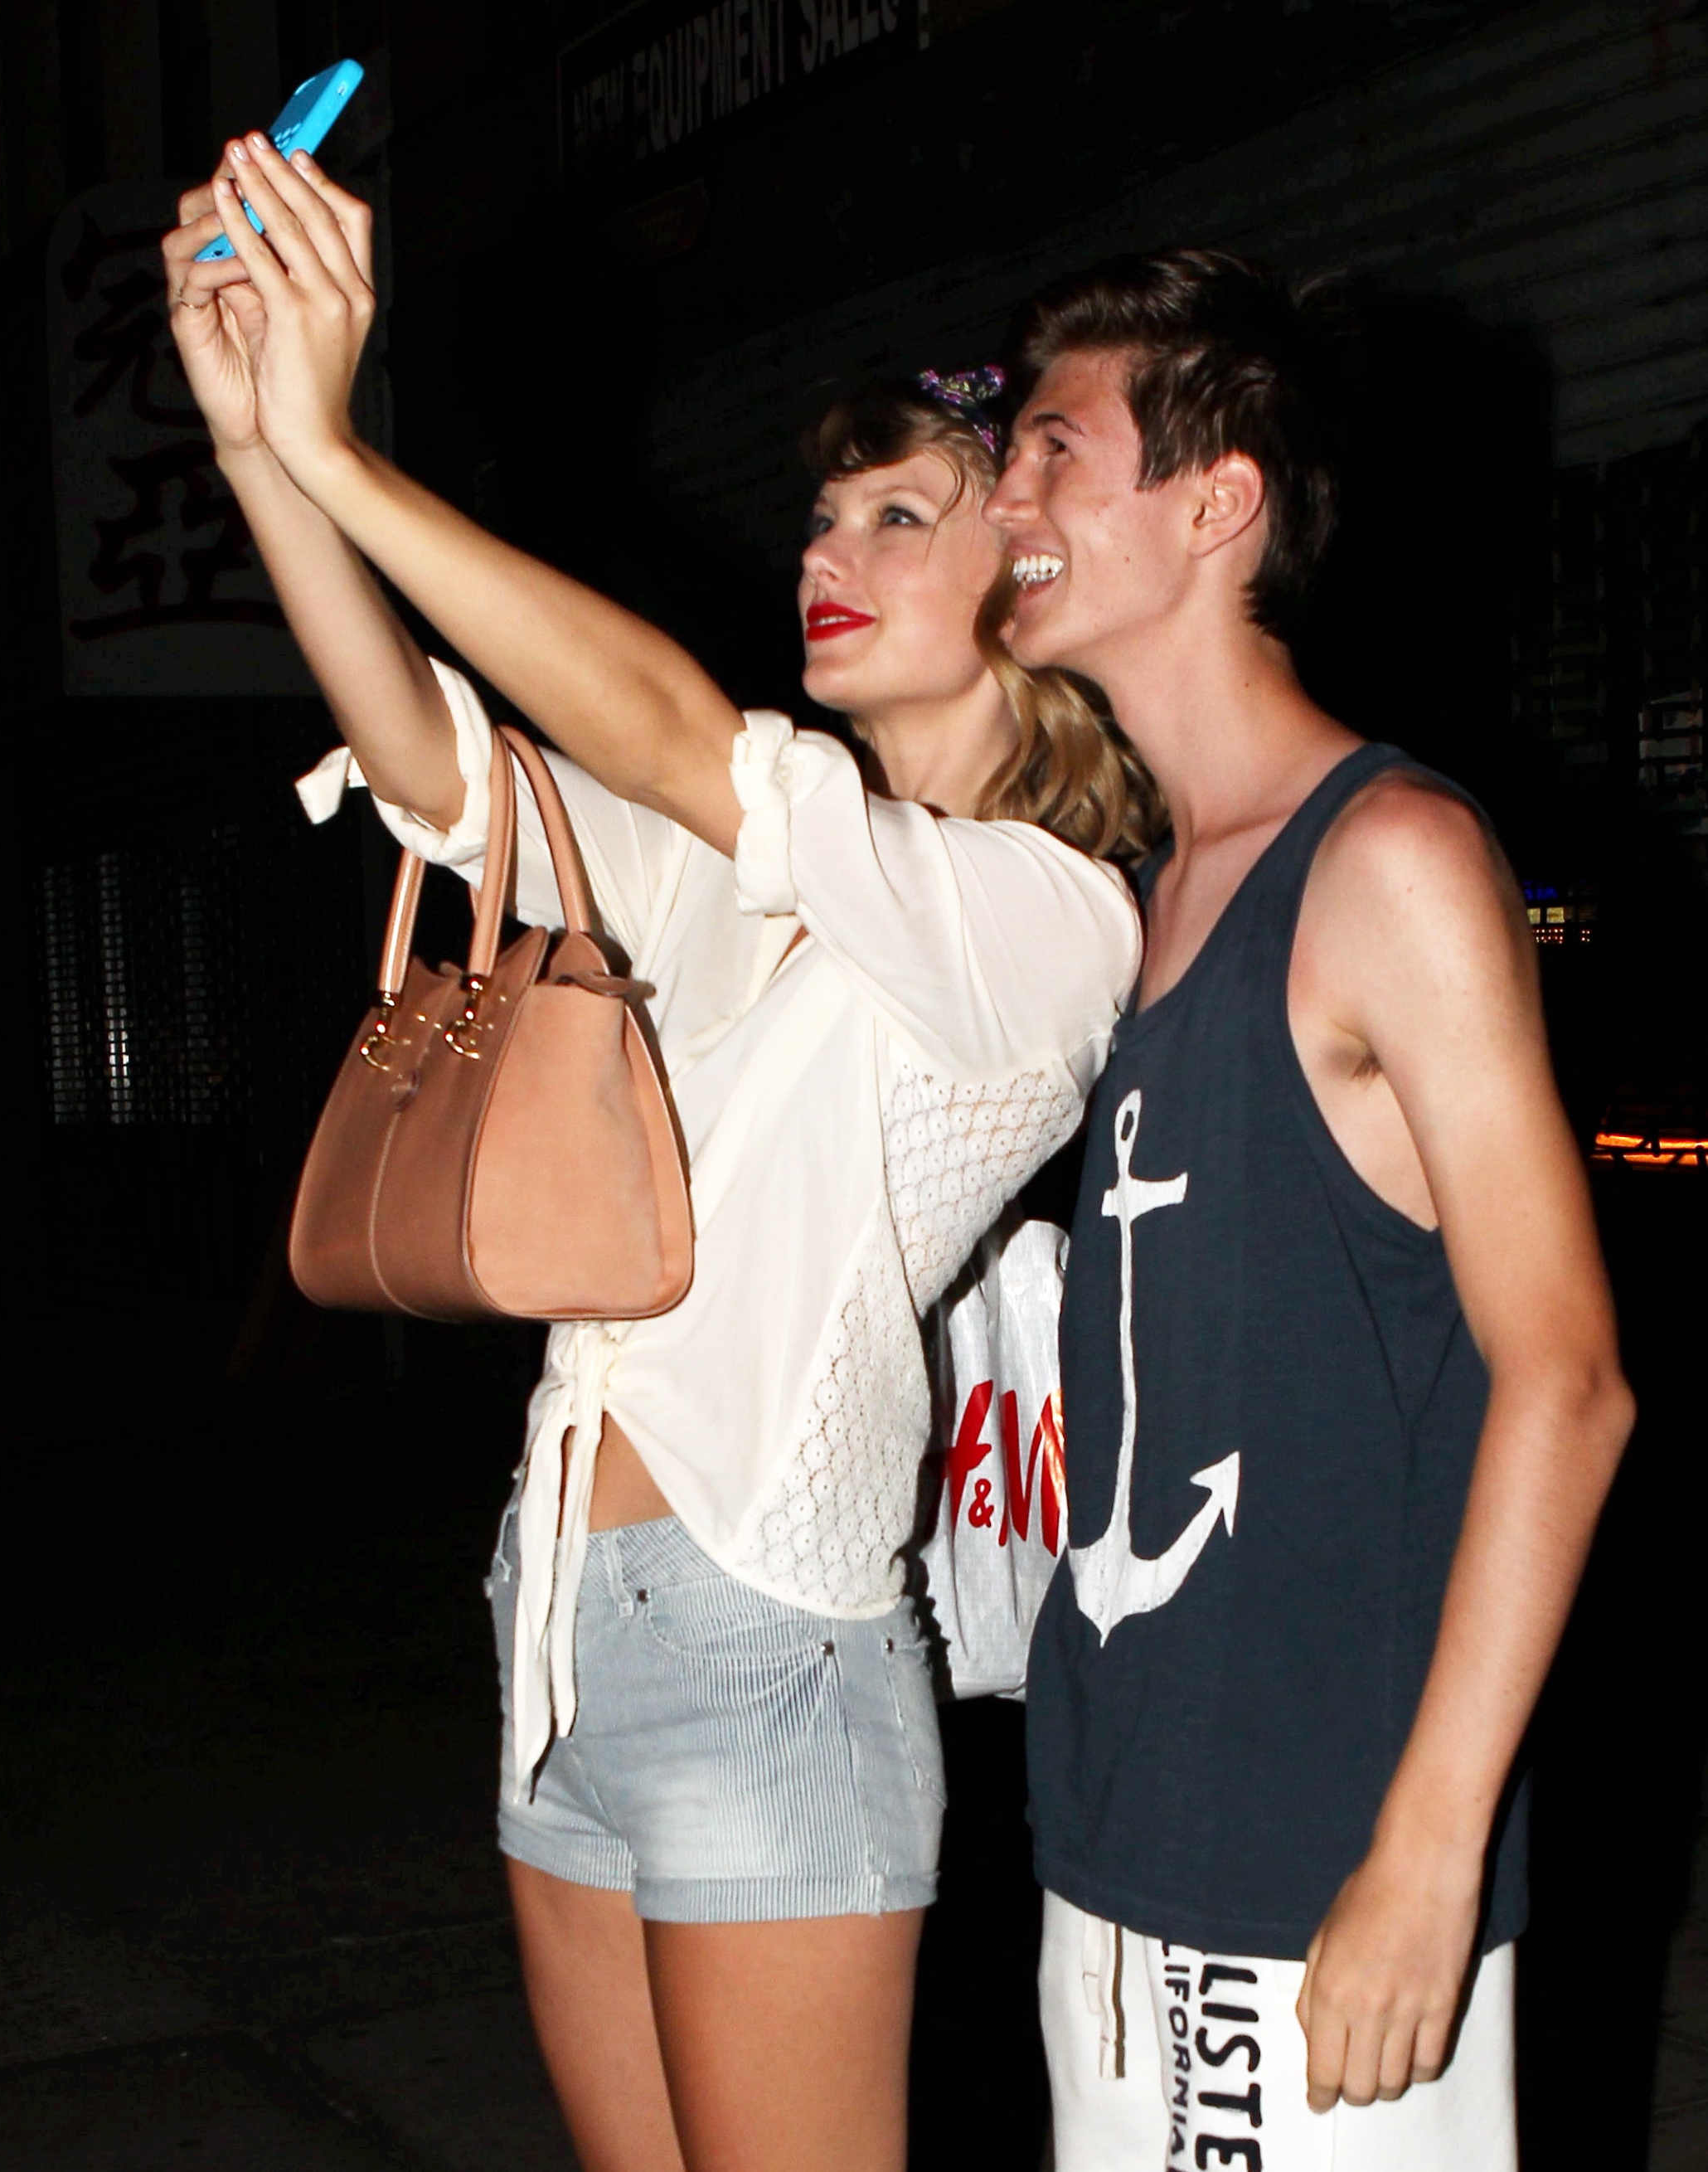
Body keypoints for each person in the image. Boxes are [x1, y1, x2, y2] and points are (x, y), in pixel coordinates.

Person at [161, 134, 1152, 2172]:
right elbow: (448, 763)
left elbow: (678, 737)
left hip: (765, 1633)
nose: (829, 546)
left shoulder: (1044, 916)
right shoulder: (743, 877)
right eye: (824, 512)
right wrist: (259, 445)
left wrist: (347, 451)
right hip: (558, 1611)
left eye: (900, 512)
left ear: (1025, 583)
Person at [987, 249, 1635, 2169]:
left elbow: (1567, 1378)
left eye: (1053, 449)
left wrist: (1427, 1848)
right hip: (1118, 1831)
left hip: (1313, 1867)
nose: (1009, 497)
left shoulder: (1389, 861)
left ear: (1216, 505)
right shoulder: (1145, 892)